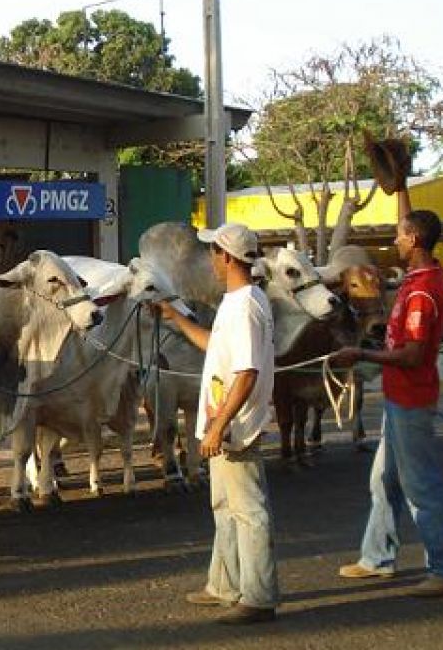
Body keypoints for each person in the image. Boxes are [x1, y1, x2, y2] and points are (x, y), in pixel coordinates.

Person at [331, 205, 443, 597]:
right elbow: (411, 219)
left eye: (401, 235)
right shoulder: (420, 276)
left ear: (415, 239)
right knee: (383, 480)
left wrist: (362, 355)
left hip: (410, 398)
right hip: (397, 397)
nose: (395, 240)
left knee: (420, 486)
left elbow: (412, 355)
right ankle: (377, 558)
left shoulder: (422, 292)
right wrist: (401, 185)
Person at [156, 222, 279, 625]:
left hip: (233, 426)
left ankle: (258, 597)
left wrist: (216, 426)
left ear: (227, 257)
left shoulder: (243, 306)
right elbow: (215, 345)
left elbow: (246, 373)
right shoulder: (239, 300)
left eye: (213, 251)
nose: (209, 258)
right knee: (225, 506)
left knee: (248, 510)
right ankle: (224, 585)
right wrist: (175, 316)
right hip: (224, 422)